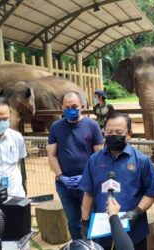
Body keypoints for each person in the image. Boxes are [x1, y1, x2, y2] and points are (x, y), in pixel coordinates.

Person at [79, 113, 154, 250]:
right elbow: (88, 193)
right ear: (103, 133)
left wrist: (137, 212)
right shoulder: (94, 160)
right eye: (109, 132)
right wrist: (85, 222)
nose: (113, 136)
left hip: (133, 231)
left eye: (119, 132)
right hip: (101, 232)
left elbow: (151, 192)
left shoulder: (142, 161)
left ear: (129, 134)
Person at [46, 91, 104, 240]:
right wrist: (60, 176)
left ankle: (93, 247)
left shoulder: (92, 125)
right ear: (62, 108)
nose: (71, 110)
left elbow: (99, 156)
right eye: (67, 107)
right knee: (73, 222)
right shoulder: (56, 127)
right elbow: (51, 154)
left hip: (88, 185)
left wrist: (87, 177)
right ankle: (78, 245)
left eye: (74, 106)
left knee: (91, 220)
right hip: (65, 185)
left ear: (82, 106)